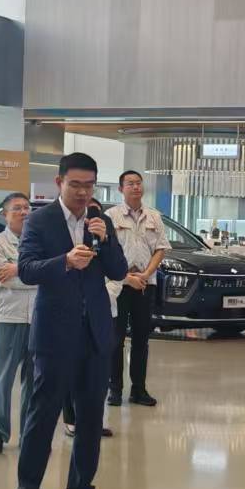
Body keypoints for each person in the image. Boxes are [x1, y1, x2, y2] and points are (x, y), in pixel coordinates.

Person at [12, 153, 128, 489]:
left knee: (91, 418)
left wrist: (105, 241)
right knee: (42, 416)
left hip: (95, 333)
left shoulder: (100, 220)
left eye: (89, 185)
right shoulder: (39, 220)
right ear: (59, 182)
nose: (82, 192)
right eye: (75, 184)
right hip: (54, 335)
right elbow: (27, 270)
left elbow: (119, 270)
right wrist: (64, 261)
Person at [107, 170, 170, 409]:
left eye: (139, 183)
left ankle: (139, 389)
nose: (136, 187)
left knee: (142, 339)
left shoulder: (154, 216)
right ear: (121, 189)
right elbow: (106, 252)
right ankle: (114, 389)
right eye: (130, 183)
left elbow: (161, 248)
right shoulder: (111, 216)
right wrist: (125, 277)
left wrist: (145, 274)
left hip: (145, 285)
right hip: (118, 285)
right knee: (115, 339)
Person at [0, 192, 36, 456]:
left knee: (34, 381)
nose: (24, 212)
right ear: (5, 215)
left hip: (39, 319)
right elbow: (1, 277)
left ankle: (30, 433)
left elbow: (52, 274)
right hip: (8, 317)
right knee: (1, 379)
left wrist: (18, 269)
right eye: (17, 208)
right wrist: (34, 273)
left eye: (27, 208)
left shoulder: (41, 242)